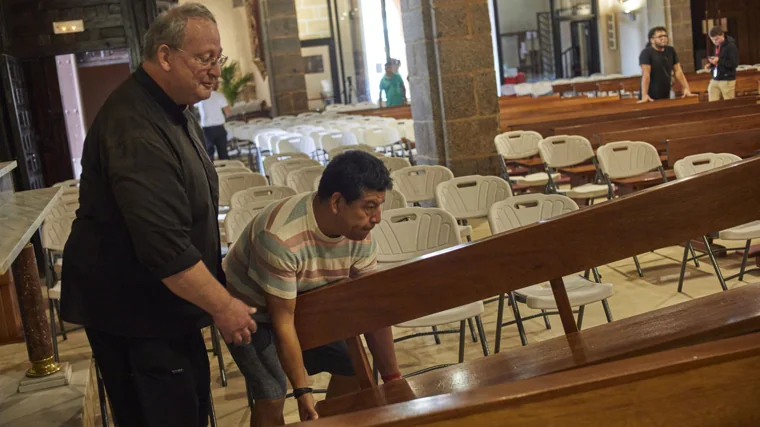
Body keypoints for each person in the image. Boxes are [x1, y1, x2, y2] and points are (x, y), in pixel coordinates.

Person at [60, 4, 257, 427]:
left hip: (164, 308)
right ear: (165, 56)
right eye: (204, 58)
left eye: (217, 58)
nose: (214, 70)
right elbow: (163, 247)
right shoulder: (136, 128)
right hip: (137, 313)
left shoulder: (172, 110)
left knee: (189, 408)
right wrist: (223, 305)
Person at [223, 150, 402, 427]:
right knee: (272, 393)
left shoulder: (359, 233)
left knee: (355, 370)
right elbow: (282, 322)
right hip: (249, 310)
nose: (377, 217)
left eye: (380, 206)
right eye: (369, 206)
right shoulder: (281, 237)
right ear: (337, 202)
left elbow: (369, 308)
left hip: (306, 300)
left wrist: (394, 380)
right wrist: (303, 391)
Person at [639, 26, 693, 102]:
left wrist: (686, 88)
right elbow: (646, 74)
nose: (663, 38)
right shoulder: (646, 53)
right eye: (660, 36)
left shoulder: (671, 50)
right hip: (651, 92)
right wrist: (644, 95)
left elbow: (678, 71)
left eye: (665, 36)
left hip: (665, 89)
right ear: (652, 40)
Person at [196, 81, 231, 159]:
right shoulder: (219, 96)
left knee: (208, 155)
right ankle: (226, 170)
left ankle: (210, 171)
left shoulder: (200, 97)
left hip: (207, 129)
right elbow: (228, 112)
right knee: (223, 153)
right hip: (219, 128)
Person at [705, 26, 739, 102]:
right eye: (712, 40)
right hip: (715, 78)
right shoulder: (718, 46)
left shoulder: (731, 46)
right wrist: (711, 65)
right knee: (712, 103)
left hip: (727, 80)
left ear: (722, 35)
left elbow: (734, 63)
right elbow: (718, 60)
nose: (715, 42)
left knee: (729, 103)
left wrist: (719, 61)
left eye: (716, 39)